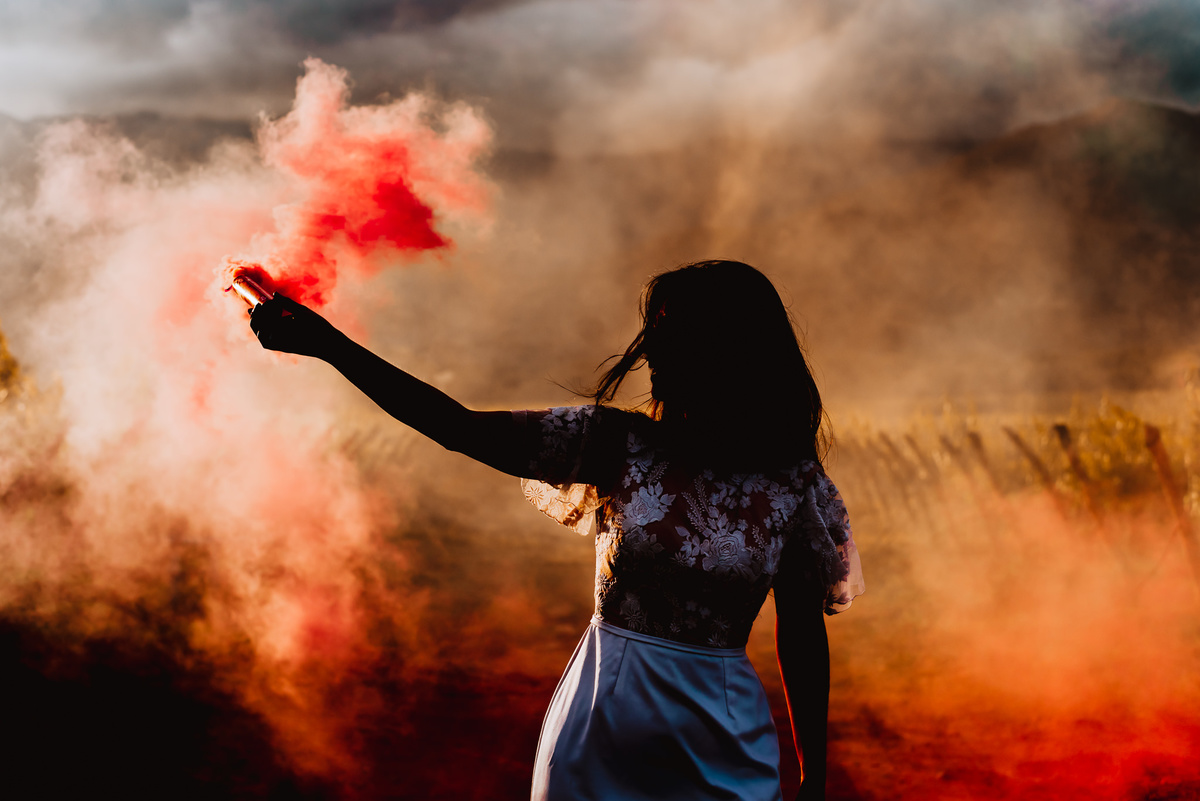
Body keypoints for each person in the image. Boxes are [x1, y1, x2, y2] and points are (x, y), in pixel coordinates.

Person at [249, 259, 864, 801]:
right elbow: (458, 427)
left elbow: (802, 631)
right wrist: (329, 345)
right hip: (604, 721)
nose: (652, 351)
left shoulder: (793, 482)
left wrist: (814, 781)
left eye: (671, 334)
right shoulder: (614, 443)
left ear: (725, 352)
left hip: (726, 735)